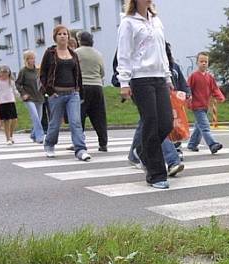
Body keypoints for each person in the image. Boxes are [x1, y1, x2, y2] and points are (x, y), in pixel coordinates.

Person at [117, 0, 173, 189]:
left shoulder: (156, 20)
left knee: (166, 123)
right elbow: (123, 53)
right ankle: (156, 175)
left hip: (159, 77)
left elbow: (162, 50)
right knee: (150, 122)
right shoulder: (128, 22)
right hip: (140, 78)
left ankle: (141, 150)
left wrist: (167, 76)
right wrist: (124, 82)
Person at [128, 42, 188, 177]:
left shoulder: (157, 31)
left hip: (160, 85)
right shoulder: (130, 27)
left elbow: (178, 78)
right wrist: (124, 83)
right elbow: (122, 59)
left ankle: (138, 152)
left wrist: (170, 82)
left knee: (155, 124)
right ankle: (170, 161)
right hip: (141, 83)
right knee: (153, 124)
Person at [39, 24, 90, 161]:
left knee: (75, 121)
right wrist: (49, 91)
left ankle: (80, 149)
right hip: (56, 94)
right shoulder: (50, 53)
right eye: (59, 34)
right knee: (55, 123)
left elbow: (78, 74)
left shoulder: (73, 54)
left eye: (65, 34)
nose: (63, 36)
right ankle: (49, 144)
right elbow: (42, 74)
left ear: (69, 37)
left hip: (73, 93)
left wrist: (80, 92)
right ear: (55, 37)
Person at [75, 31, 109, 152]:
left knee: (79, 115)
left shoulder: (76, 53)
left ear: (79, 40)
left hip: (83, 86)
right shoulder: (98, 54)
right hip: (97, 86)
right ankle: (103, 143)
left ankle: (79, 141)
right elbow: (102, 72)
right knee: (99, 115)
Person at [187, 52, 225, 154]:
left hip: (205, 105)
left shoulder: (209, 77)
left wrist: (220, 97)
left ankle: (192, 144)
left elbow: (215, 89)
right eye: (201, 61)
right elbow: (188, 88)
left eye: (206, 61)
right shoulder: (193, 76)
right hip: (197, 106)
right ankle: (212, 144)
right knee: (205, 126)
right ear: (197, 63)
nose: (203, 63)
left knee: (199, 126)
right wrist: (188, 99)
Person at [16, 50, 45, 144]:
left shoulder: (38, 70)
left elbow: (43, 81)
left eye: (33, 58)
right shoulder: (23, 71)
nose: (32, 60)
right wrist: (23, 93)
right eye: (30, 58)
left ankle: (33, 135)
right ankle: (40, 137)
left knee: (39, 118)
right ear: (26, 60)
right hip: (29, 98)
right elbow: (18, 84)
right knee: (35, 117)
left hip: (39, 96)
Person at [0, 65, 20, 145]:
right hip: (2, 103)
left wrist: (20, 96)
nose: (4, 74)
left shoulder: (11, 81)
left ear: (9, 73)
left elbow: (14, 90)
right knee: (6, 120)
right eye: (2, 72)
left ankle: (11, 135)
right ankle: (7, 138)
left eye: (6, 72)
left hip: (11, 102)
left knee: (14, 119)